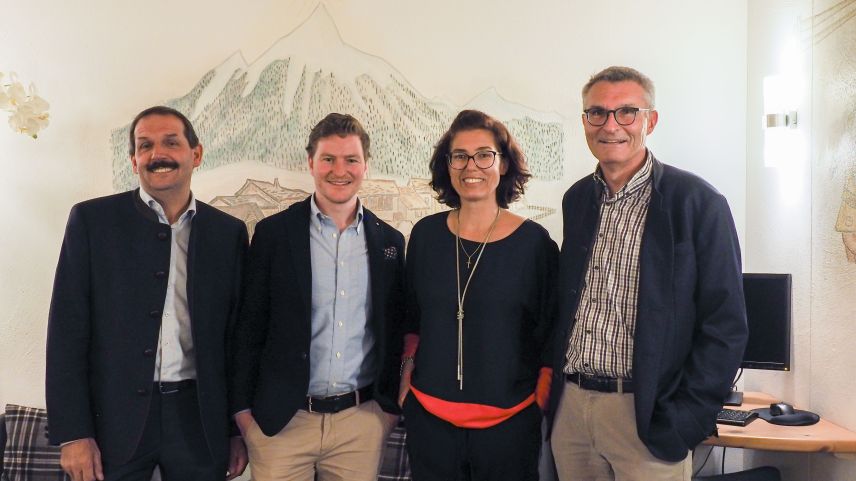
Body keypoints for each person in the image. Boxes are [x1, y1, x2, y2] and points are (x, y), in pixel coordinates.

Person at [547, 66, 749, 481]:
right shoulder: (577, 199)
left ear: (650, 121)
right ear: (584, 122)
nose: (611, 125)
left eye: (627, 112)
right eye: (597, 113)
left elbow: (725, 323)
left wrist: (687, 419)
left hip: (648, 417)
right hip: (572, 412)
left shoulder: (697, 203)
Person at [46, 106, 249, 481]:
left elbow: (236, 340)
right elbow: (66, 331)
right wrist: (73, 433)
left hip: (199, 422)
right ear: (134, 160)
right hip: (113, 421)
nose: (158, 154)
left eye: (171, 142)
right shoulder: (92, 222)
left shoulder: (228, 233)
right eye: (145, 145)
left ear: (196, 154)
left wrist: (236, 430)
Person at [229, 113, 404, 481]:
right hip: (282, 424)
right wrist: (243, 417)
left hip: (360, 424)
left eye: (351, 159)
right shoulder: (273, 234)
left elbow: (395, 329)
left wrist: (386, 414)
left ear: (365, 166)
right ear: (310, 163)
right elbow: (248, 328)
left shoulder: (389, 241)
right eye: (328, 159)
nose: (339, 170)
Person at [399, 109, 558, 481]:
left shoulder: (535, 244)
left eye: (484, 155)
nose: (471, 166)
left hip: (509, 424)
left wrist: (538, 402)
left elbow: (551, 333)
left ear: (503, 165)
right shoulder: (424, 235)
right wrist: (405, 379)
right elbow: (410, 318)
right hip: (429, 420)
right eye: (460, 156)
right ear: (448, 165)